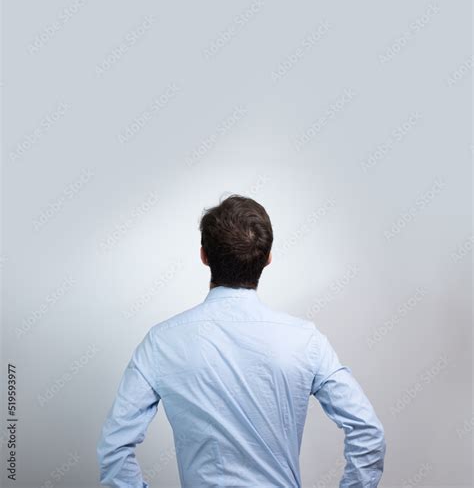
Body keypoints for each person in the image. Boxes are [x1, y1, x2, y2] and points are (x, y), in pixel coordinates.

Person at [97, 194, 386, 487]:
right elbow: (367, 432)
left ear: (204, 256)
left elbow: (114, 447)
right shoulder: (305, 340)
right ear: (268, 258)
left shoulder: (161, 342)